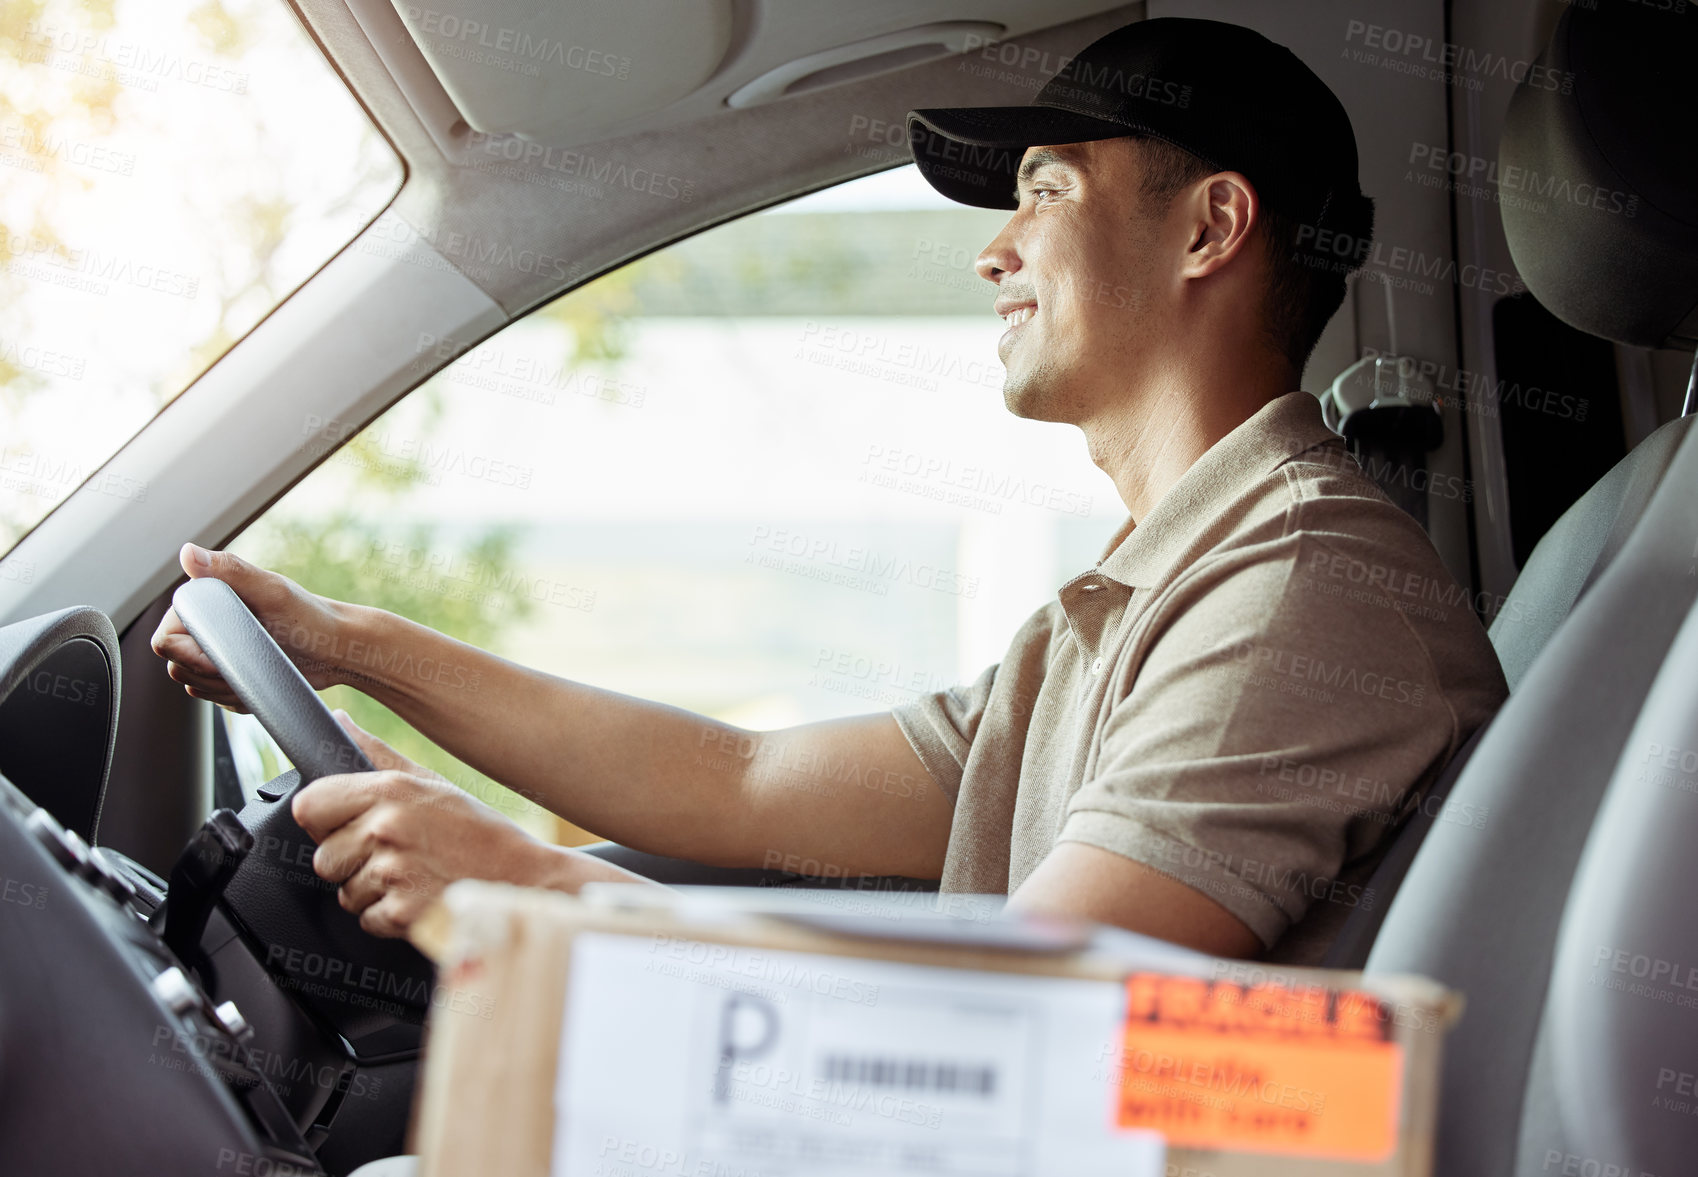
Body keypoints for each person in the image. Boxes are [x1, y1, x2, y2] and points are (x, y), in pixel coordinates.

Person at [152, 18, 1506, 964]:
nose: (993, 252)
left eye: (1043, 188)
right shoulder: (1153, 589)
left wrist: (525, 890)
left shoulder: (1297, 595)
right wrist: (348, 647)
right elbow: (738, 782)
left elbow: (1043, 1013)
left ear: (1209, 226)